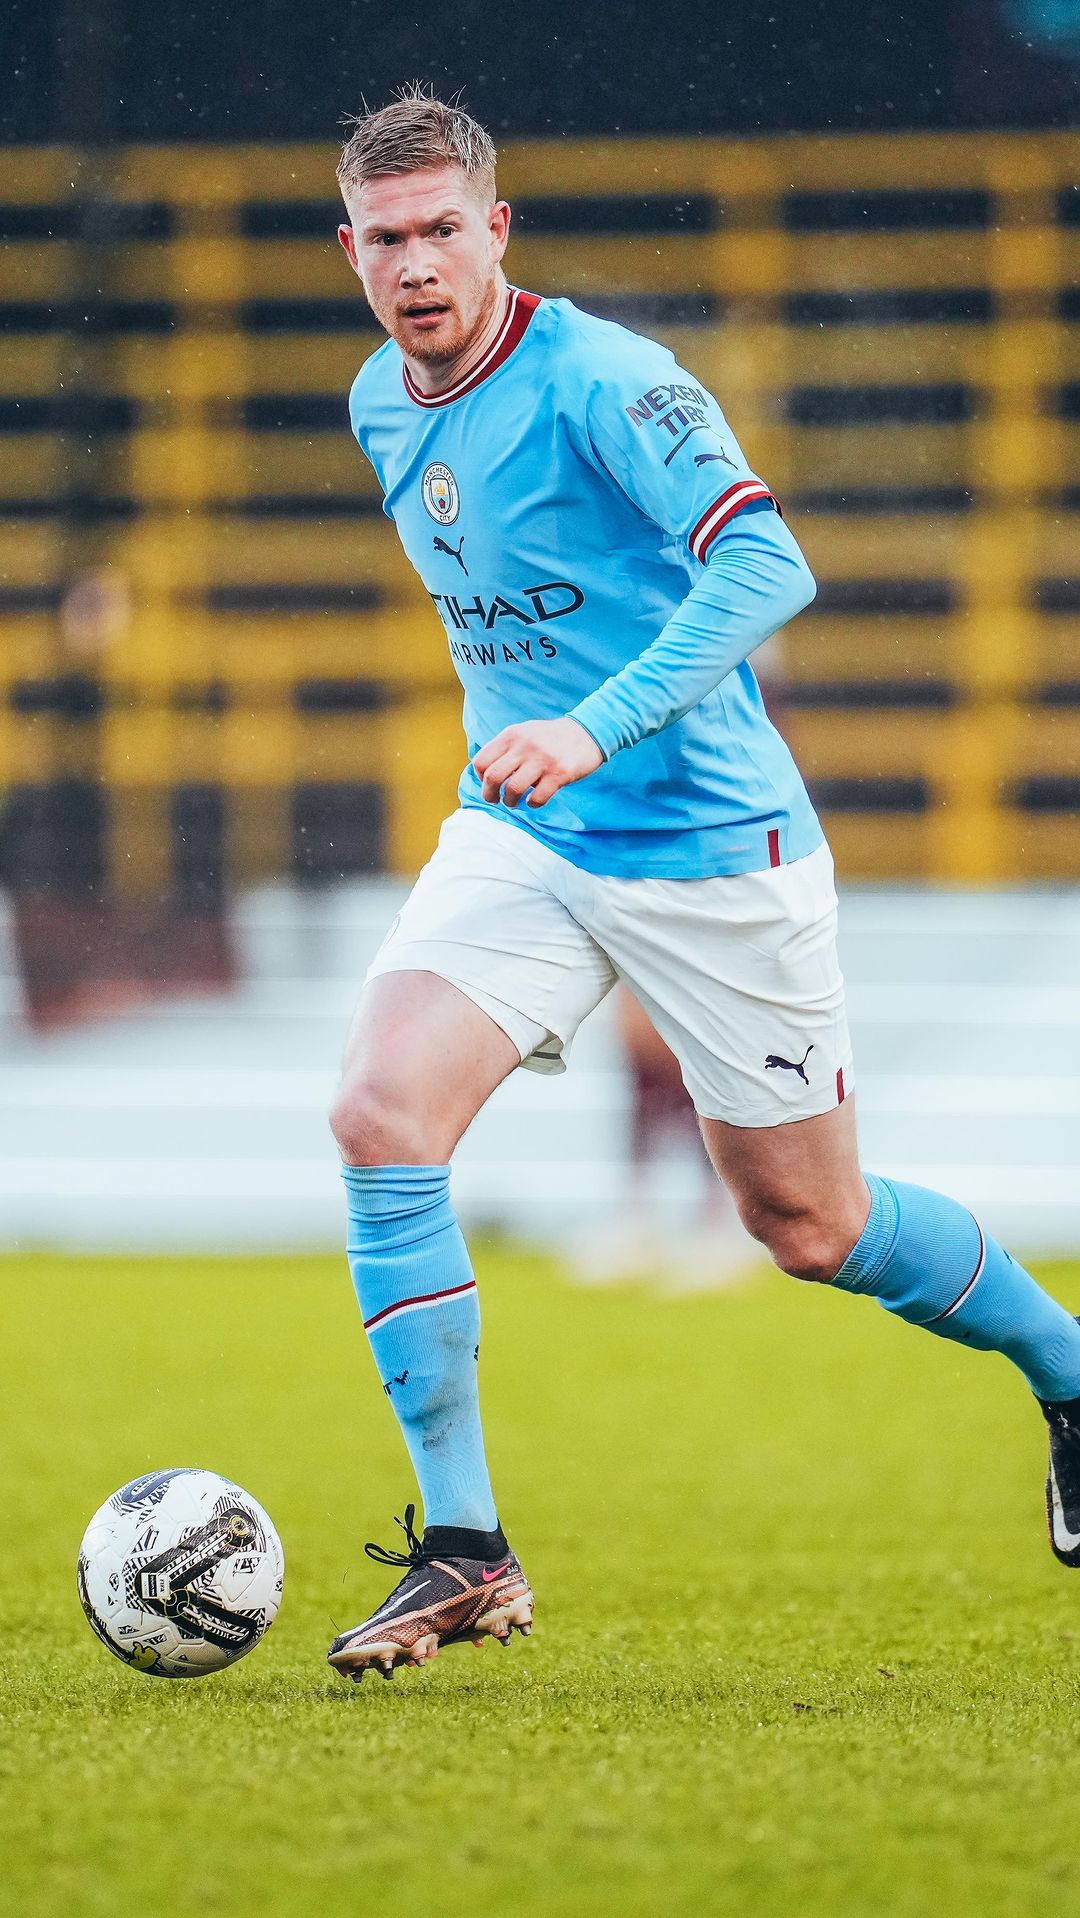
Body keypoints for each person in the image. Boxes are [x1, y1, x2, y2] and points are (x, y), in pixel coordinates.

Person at [325, 88, 1080, 1682]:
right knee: (379, 1117)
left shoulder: (608, 380)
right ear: (351, 252)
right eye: (388, 239)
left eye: (445, 230)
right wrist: (542, 747)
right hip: (529, 835)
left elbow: (769, 565)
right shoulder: (378, 402)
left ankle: (1071, 1375)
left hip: (711, 846)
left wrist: (590, 727)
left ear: (497, 230)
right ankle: (466, 1546)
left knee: (811, 1225)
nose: (419, 266)